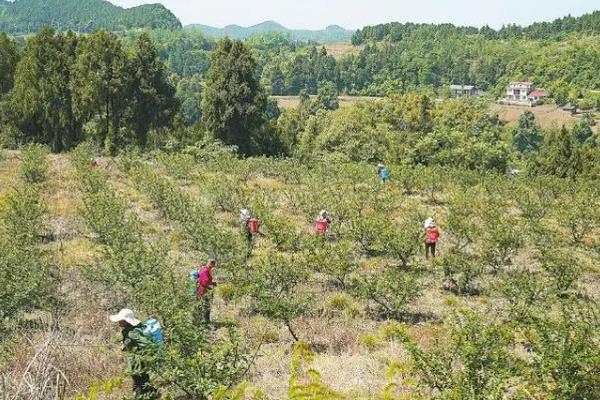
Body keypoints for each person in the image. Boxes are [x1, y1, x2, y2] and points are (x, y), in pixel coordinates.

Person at [109, 309, 157, 399]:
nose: (119, 322)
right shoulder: (130, 330)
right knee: (143, 383)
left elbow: (148, 344)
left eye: (121, 320)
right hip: (137, 364)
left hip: (138, 365)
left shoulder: (133, 333)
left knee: (139, 386)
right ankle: (151, 395)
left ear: (126, 321)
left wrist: (141, 354)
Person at [197, 259, 217, 325]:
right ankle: (205, 322)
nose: (212, 266)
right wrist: (212, 283)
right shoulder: (205, 271)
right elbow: (205, 282)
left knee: (203, 306)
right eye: (212, 264)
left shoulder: (204, 270)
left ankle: (203, 321)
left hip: (202, 290)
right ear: (209, 264)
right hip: (204, 291)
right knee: (206, 306)